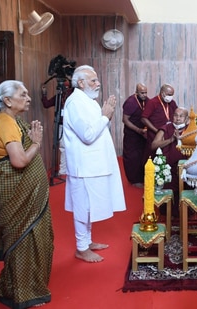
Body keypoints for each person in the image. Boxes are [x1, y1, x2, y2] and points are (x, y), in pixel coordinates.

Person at [0, 80, 54, 308]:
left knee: (35, 238)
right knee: (24, 240)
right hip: (16, 192)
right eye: (23, 94)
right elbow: (19, 160)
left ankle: (25, 286)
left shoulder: (12, 120)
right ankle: (24, 293)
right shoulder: (4, 122)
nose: (29, 98)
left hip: (29, 195)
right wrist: (36, 144)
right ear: (7, 100)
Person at [63, 65, 126, 263]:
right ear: (80, 83)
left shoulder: (87, 101)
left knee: (89, 207)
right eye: (93, 81)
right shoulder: (74, 103)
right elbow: (88, 135)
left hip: (94, 165)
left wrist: (108, 114)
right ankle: (81, 248)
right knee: (83, 208)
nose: (98, 84)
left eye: (97, 80)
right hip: (84, 167)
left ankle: (87, 242)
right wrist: (105, 115)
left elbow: (100, 127)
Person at [151, 107, 190, 212]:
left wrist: (182, 139)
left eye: (181, 116)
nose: (178, 118)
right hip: (169, 170)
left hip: (186, 170)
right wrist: (171, 139)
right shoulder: (167, 128)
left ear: (186, 119)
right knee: (166, 208)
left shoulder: (191, 129)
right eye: (175, 115)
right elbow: (154, 145)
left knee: (187, 205)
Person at [41, 79, 74, 175]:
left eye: (67, 86)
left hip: (73, 125)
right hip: (61, 124)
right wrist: (44, 94)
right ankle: (63, 170)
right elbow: (46, 104)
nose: (66, 89)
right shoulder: (58, 97)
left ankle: (71, 168)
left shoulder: (74, 97)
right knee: (63, 147)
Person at [141, 83, 178, 162]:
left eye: (172, 95)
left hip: (169, 135)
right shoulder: (153, 102)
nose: (171, 96)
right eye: (169, 94)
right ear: (162, 93)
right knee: (154, 159)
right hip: (155, 135)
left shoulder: (172, 103)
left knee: (169, 158)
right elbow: (144, 118)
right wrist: (156, 131)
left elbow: (177, 113)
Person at [122, 82, 149, 187]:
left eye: (146, 93)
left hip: (144, 134)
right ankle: (134, 180)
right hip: (132, 134)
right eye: (142, 93)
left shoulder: (147, 101)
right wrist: (138, 130)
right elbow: (125, 120)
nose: (144, 95)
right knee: (133, 157)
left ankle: (143, 177)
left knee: (143, 156)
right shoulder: (131, 102)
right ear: (136, 92)